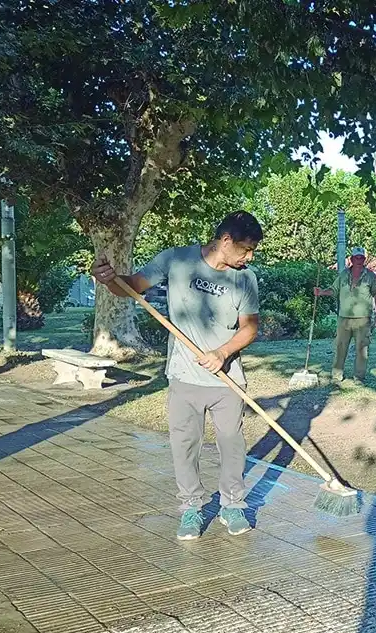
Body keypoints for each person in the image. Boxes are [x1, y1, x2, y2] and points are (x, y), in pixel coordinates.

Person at [91, 211, 262, 540]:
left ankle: (232, 504)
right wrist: (110, 278)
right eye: (246, 249)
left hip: (227, 380)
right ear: (226, 241)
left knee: (232, 444)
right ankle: (191, 509)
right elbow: (133, 287)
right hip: (185, 376)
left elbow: (250, 327)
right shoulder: (176, 259)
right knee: (184, 445)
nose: (249, 257)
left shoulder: (245, 278)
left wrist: (222, 353)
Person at [315, 247, 376, 383]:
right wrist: (321, 292)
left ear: (364, 259)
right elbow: (334, 290)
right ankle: (336, 375)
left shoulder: (370, 275)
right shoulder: (343, 274)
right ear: (351, 259)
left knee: (362, 349)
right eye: (356, 258)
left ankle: (359, 376)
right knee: (340, 347)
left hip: (363, 319)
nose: (359, 260)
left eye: (361, 258)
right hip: (343, 318)